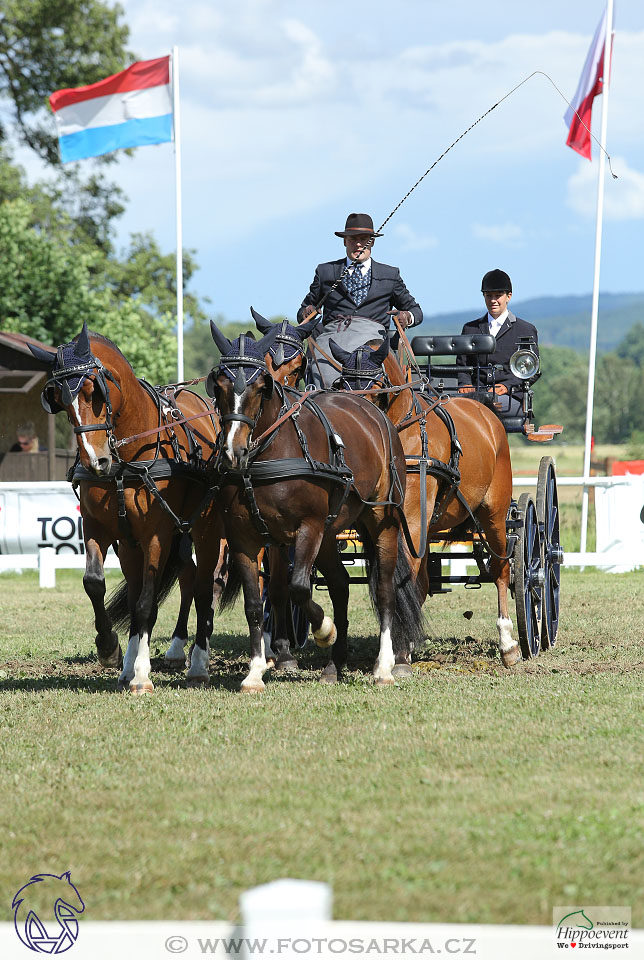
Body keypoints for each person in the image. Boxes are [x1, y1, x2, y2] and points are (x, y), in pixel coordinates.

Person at [297, 213, 423, 387]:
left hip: (373, 344)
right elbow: (304, 311)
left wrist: (407, 317)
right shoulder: (325, 271)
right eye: (352, 239)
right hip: (333, 342)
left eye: (364, 239)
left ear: (372, 242)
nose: (358, 244)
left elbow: (416, 311)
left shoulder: (390, 275)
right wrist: (307, 311)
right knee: (321, 374)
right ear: (344, 241)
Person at [457, 269, 540, 417]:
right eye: (489, 296)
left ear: (508, 296)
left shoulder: (525, 330)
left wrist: (506, 386)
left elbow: (532, 371)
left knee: (485, 409)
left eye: (498, 296)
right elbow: (463, 365)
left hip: (510, 396)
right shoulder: (470, 328)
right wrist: (465, 384)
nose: (493, 300)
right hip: (475, 394)